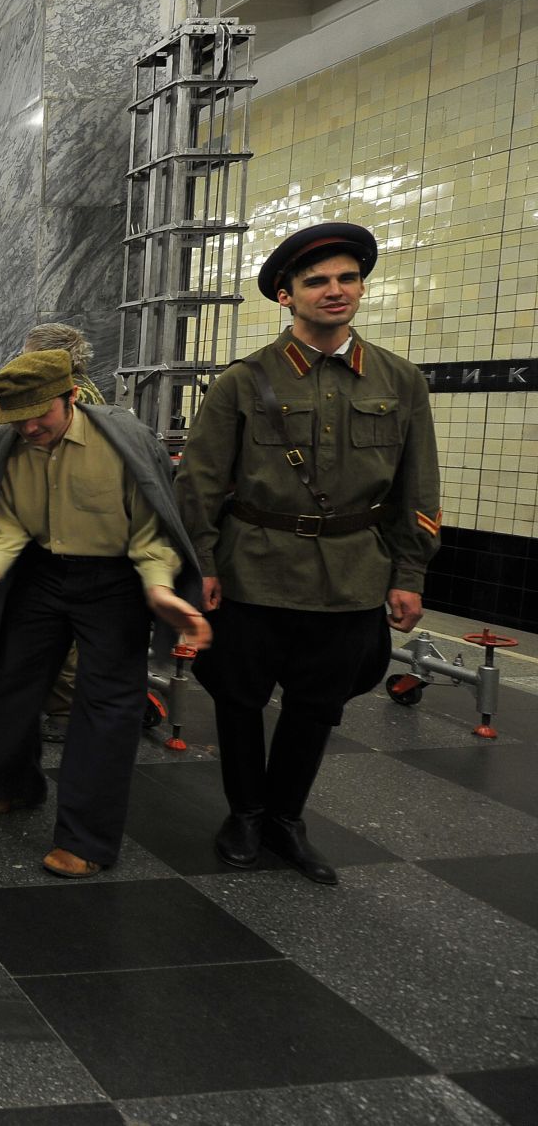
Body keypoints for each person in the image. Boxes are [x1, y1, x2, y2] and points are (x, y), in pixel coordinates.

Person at [176, 222, 440, 886]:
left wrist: (410, 571)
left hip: (352, 573)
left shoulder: (399, 379)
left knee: (318, 706)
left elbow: (420, 482)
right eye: (317, 281)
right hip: (253, 569)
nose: (334, 291)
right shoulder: (244, 381)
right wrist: (203, 565)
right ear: (286, 296)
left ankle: (287, 818)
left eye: (347, 278)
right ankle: (245, 811)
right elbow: (199, 482)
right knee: (238, 698)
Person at [0, 350, 209, 878]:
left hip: (116, 580)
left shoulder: (124, 442)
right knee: (6, 682)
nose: (31, 428)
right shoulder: (2, 445)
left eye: (43, 414)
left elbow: (151, 529)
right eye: (20, 418)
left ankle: (86, 838)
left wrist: (160, 589)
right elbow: (6, 520)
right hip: (37, 572)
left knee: (107, 707)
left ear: (72, 396)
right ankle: (10, 785)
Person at [18, 322, 106, 743]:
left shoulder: (74, 395)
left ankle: (64, 710)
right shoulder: (81, 386)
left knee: (64, 631)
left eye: (28, 351)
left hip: (65, 523)